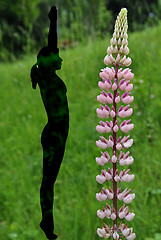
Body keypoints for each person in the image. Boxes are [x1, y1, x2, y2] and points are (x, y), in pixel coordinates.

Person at [30, 6, 69, 240]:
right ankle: (47, 223)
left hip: (59, 133)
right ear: (48, 61)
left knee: (49, 182)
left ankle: (47, 221)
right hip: (54, 134)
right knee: (48, 182)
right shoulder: (45, 77)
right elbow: (51, 44)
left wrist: (53, 20)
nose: (61, 57)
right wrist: (52, 23)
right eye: (57, 56)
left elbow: (52, 44)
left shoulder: (48, 74)